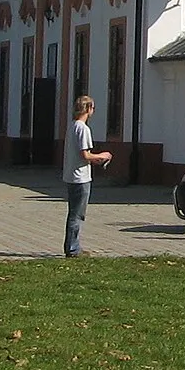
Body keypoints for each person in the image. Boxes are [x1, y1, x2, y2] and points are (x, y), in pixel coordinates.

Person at [63, 94, 111, 257]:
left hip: (71, 174)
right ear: (88, 109)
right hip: (80, 177)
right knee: (77, 215)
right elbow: (85, 155)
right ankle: (73, 248)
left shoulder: (72, 126)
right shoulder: (83, 129)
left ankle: (71, 245)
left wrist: (95, 159)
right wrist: (102, 156)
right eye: (93, 108)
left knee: (73, 213)